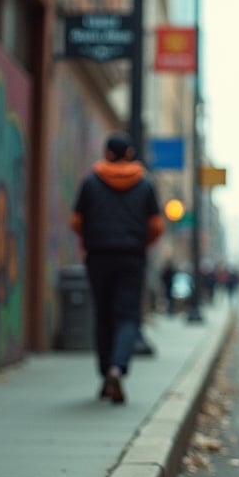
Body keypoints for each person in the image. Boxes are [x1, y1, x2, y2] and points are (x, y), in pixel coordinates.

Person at [70, 131, 164, 404]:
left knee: (103, 315)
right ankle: (117, 368)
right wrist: (140, 241)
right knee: (127, 315)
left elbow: (76, 222)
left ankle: (103, 375)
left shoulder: (90, 182)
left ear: (107, 153)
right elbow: (156, 226)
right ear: (130, 154)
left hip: (98, 255)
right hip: (131, 257)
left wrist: (92, 237)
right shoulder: (145, 185)